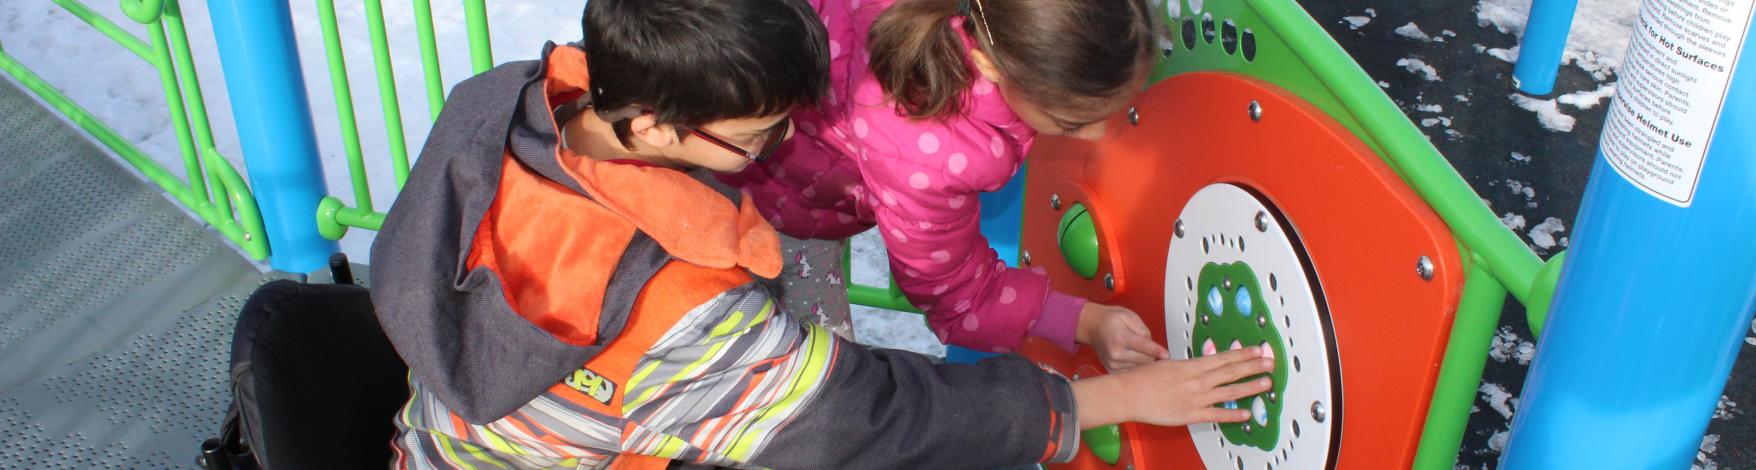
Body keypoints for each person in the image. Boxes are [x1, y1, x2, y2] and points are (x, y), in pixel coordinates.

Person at [370, 0, 1271, 467]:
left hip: (440, 441)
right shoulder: (679, 310)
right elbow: (866, 420)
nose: (784, 151)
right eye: (762, 136)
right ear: (653, 125)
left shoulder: (504, 101)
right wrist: (1109, 401)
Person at [719, 0, 1170, 371]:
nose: (1096, 136)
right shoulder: (930, 152)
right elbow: (957, 294)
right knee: (821, 375)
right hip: (763, 191)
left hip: (748, 56)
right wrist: (1085, 321)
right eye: (1072, 122)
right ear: (988, 64)